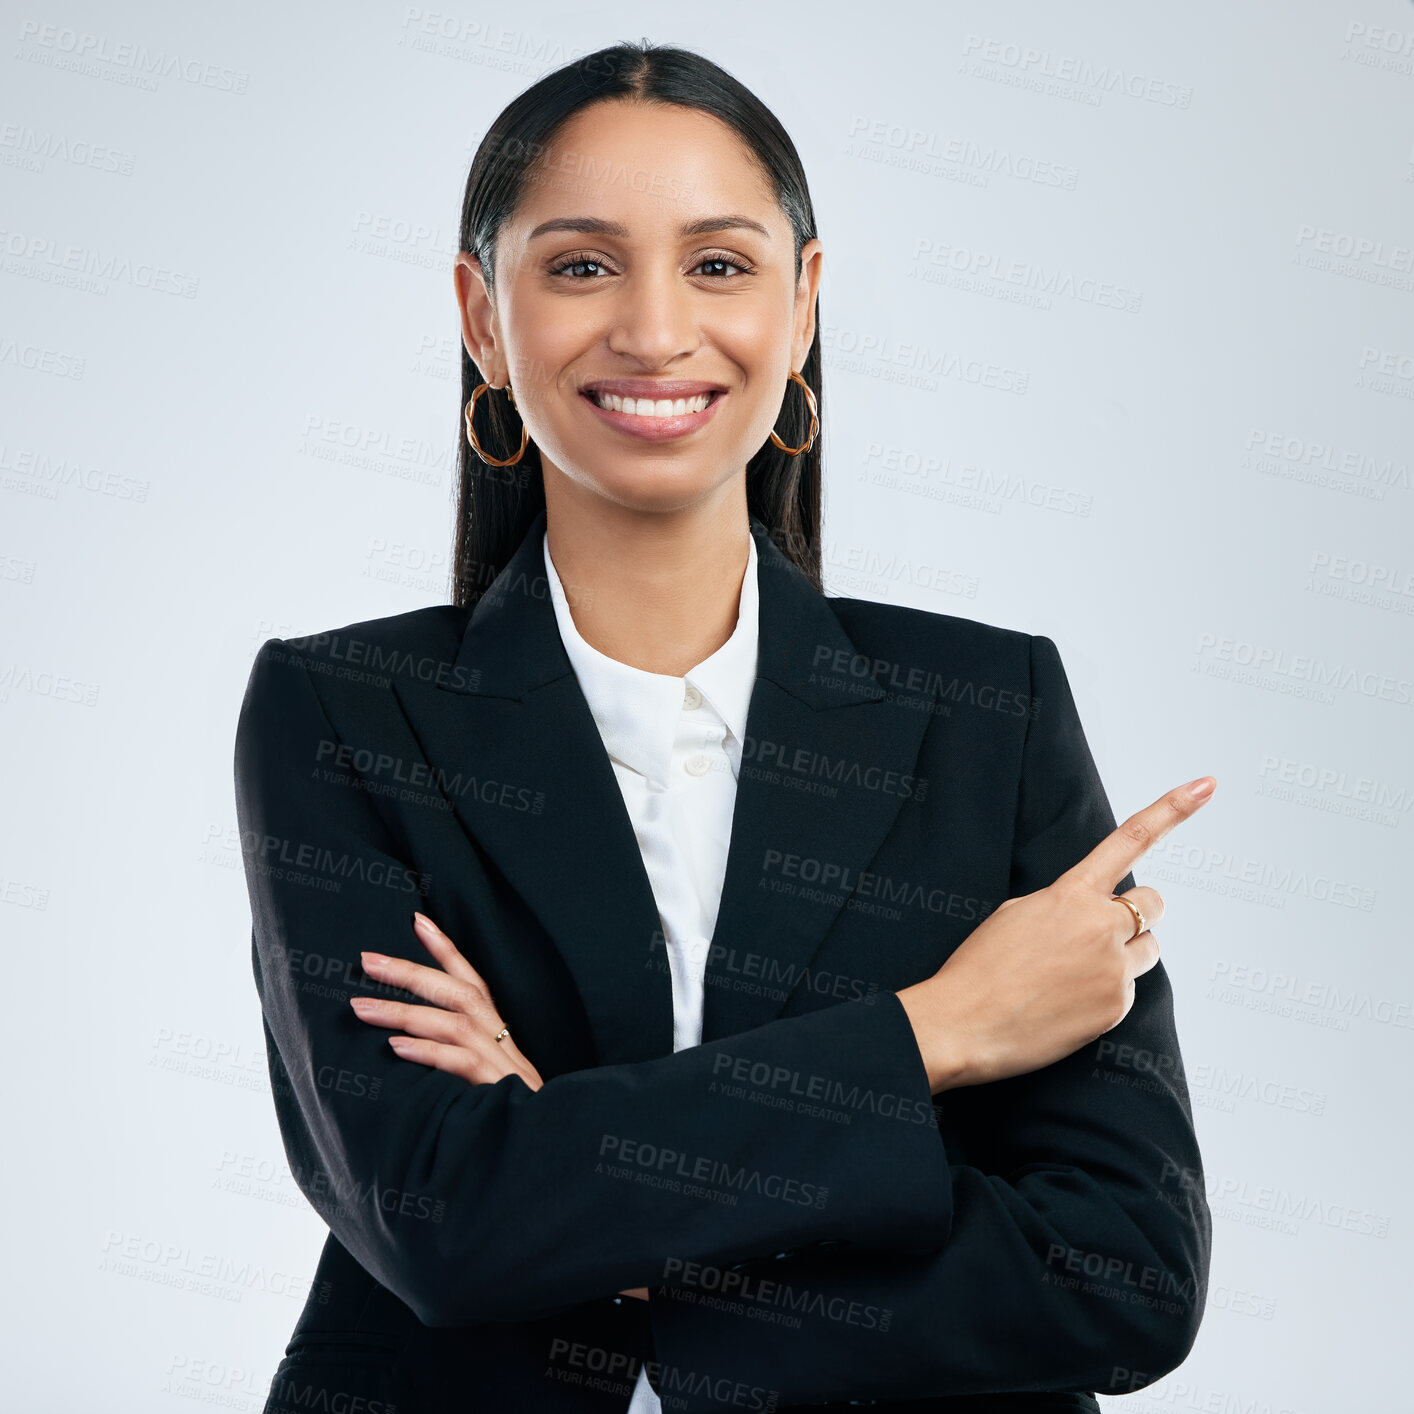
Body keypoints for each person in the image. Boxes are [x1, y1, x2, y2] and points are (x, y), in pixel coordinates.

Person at [234, 39, 1214, 1414]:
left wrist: (592, 1206)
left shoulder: (988, 710)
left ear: (802, 303)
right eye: (580, 265)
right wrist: (935, 1031)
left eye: (718, 262)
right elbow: (439, 1225)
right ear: (479, 315)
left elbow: (1126, 1274)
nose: (651, 328)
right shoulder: (344, 712)